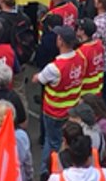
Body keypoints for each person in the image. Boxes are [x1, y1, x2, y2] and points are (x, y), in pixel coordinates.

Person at [34, 26, 87, 165]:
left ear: (61, 41)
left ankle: (49, 171)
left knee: (52, 142)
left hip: (54, 112)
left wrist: (36, 76)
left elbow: (38, 79)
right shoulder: (81, 58)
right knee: (64, 140)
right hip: (71, 109)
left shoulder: (54, 67)